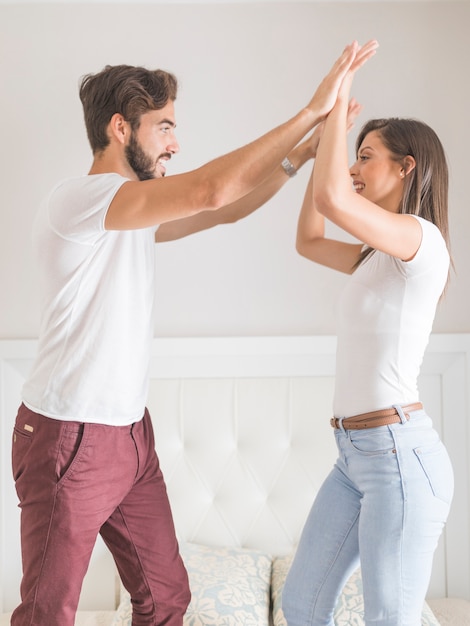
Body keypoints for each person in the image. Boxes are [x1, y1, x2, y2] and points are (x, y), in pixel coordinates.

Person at [10, 42, 379, 626]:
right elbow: (209, 190)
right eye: (164, 127)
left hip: (130, 435)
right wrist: (310, 111)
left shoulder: (130, 213)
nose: (175, 143)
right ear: (119, 126)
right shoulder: (81, 202)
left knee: (166, 598)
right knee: (47, 614)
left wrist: (300, 157)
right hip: (69, 437)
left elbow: (223, 210)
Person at [281, 42, 454, 626]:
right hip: (352, 458)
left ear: (406, 166)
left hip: (400, 457)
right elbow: (307, 239)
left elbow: (334, 197)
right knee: (302, 605)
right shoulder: (373, 256)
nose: (354, 167)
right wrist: (315, 154)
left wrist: (336, 106)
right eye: (354, 154)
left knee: (389, 618)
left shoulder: (420, 241)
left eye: (368, 155)